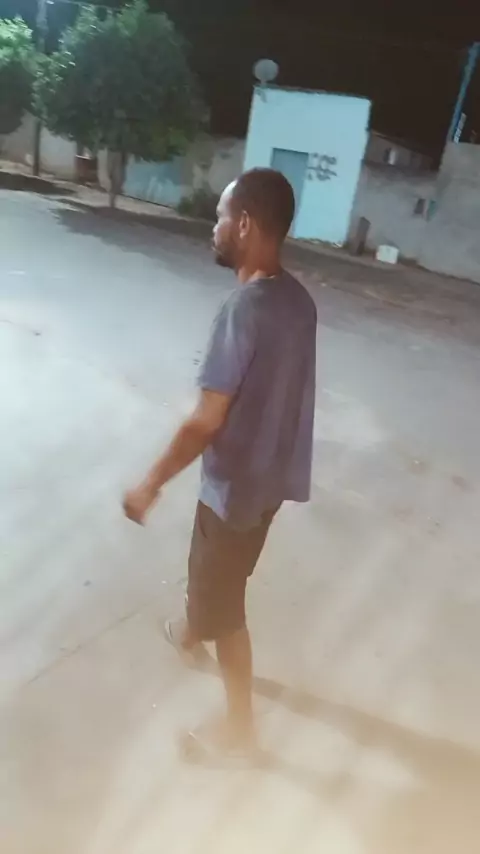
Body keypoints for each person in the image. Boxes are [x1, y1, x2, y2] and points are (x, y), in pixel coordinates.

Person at [123, 168, 317, 759]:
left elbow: (206, 420)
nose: (214, 227)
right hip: (268, 489)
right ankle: (190, 633)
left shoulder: (242, 311)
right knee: (219, 582)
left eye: (220, 216)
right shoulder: (300, 303)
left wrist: (150, 484)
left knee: (227, 611)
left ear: (246, 224)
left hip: (231, 494)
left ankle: (239, 734)